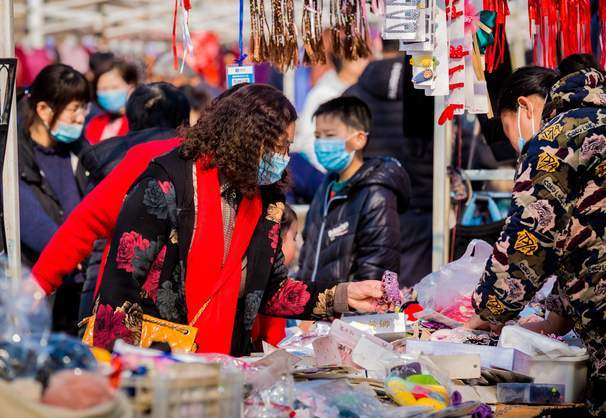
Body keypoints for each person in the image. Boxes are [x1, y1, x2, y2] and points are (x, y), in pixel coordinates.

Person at [89, 84, 386, 355]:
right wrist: (119, 369)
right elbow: (120, 285)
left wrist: (343, 295)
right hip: (158, 360)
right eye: (279, 145)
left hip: (227, 361)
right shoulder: (168, 183)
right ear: (247, 137)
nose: (284, 156)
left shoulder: (266, 199)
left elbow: (272, 290)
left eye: (287, 146)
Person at [472, 56, 606, 416]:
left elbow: (528, 238)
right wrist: (558, 315)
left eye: (507, 128)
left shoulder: (553, 140)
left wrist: (490, 309)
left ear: (523, 107)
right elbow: (592, 232)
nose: (515, 140)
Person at [33, 84, 246, 312]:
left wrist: (39, 284)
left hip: (131, 307)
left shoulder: (140, 158)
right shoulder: (188, 160)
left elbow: (83, 226)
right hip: (172, 314)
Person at [344, 40, 434, 288]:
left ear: (377, 44)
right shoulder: (430, 87)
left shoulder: (355, 93)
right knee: (417, 300)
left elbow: (344, 147)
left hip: (372, 206)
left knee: (374, 295)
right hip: (425, 211)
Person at [298, 96, 411, 287]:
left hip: (349, 313)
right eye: (318, 136)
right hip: (316, 309)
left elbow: (377, 265)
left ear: (359, 139)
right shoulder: (326, 188)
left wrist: (346, 308)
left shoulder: (376, 194)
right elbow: (307, 253)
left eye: (330, 135)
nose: (321, 143)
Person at [15, 64, 91, 332]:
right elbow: (29, 220)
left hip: (79, 286)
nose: (81, 118)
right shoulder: (15, 157)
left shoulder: (80, 153)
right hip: (36, 286)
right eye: (74, 109)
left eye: (84, 108)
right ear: (43, 109)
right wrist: (74, 251)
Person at [80, 82, 191, 190]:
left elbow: (91, 205)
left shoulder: (104, 156)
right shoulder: (195, 154)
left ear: (131, 116)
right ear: (184, 119)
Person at [291, 54, 369, 171]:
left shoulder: (363, 91)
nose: (366, 61)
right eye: (358, 57)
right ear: (345, 61)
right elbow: (308, 139)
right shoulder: (323, 93)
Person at [252, 205, 299, 347]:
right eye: (294, 238)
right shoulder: (274, 286)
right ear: (277, 240)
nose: (296, 245)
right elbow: (275, 342)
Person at [84, 58, 139, 144]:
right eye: (103, 89)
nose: (109, 93)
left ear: (131, 86)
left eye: (114, 87)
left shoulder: (139, 124)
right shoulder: (95, 123)